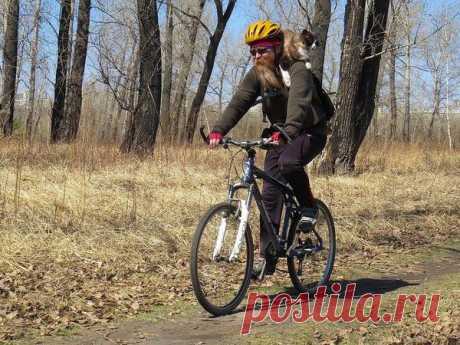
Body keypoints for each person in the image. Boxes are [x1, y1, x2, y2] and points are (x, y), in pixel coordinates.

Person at [209, 20, 330, 278]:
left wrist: (289, 129)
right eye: (252, 52)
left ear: (276, 47)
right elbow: (239, 102)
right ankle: (269, 256)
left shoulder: (297, 67)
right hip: (279, 135)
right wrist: (219, 130)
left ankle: (308, 207)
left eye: (262, 50)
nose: (256, 56)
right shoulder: (258, 73)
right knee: (270, 193)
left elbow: (300, 101)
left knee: (288, 163)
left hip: (309, 130)